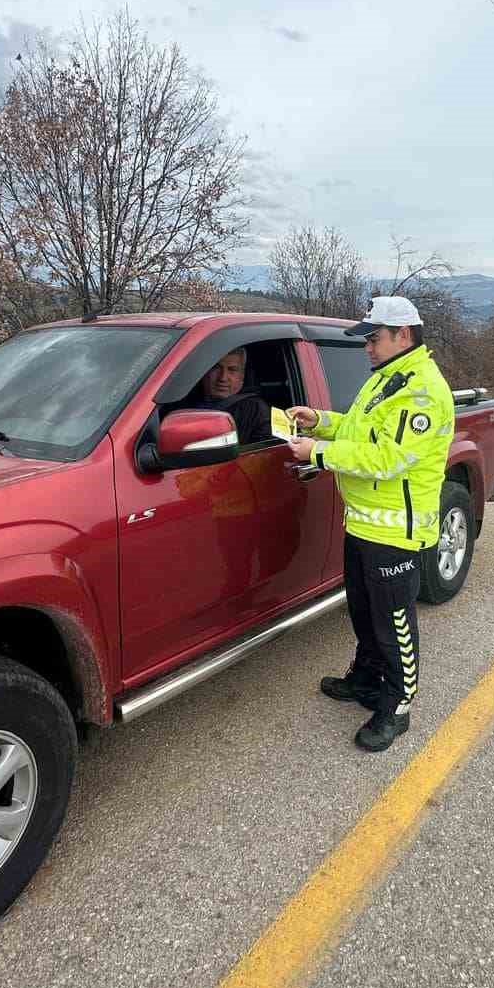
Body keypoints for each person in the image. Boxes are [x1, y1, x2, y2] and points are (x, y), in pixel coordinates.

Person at [288, 296, 454, 752]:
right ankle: (365, 679)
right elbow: (361, 433)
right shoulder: (386, 380)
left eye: (373, 338)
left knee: (394, 622)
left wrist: (316, 454)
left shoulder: (421, 391)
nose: (367, 347)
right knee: (363, 612)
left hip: (395, 531)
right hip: (364, 523)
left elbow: (386, 459)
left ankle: (397, 705)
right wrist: (319, 422)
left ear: (403, 335)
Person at [189, 347, 273, 443]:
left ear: (242, 376)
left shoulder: (255, 409)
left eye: (232, 370)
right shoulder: (182, 398)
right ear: (204, 372)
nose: (223, 378)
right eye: (216, 368)